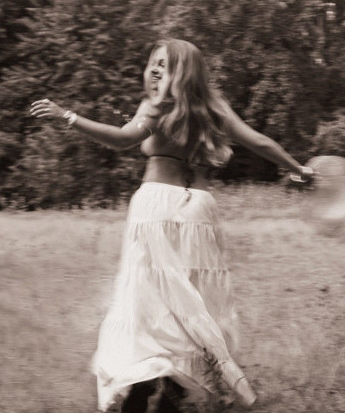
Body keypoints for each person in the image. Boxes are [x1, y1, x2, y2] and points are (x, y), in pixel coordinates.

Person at [30, 38, 313, 412]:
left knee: (148, 299)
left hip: (157, 207)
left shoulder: (156, 107)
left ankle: (146, 381)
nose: (155, 69)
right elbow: (258, 142)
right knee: (192, 299)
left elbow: (122, 140)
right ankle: (176, 386)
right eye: (153, 62)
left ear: (183, 72)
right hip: (200, 211)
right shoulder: (213, 108)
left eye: (164, 64)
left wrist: (68, 116)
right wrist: (299, 169)